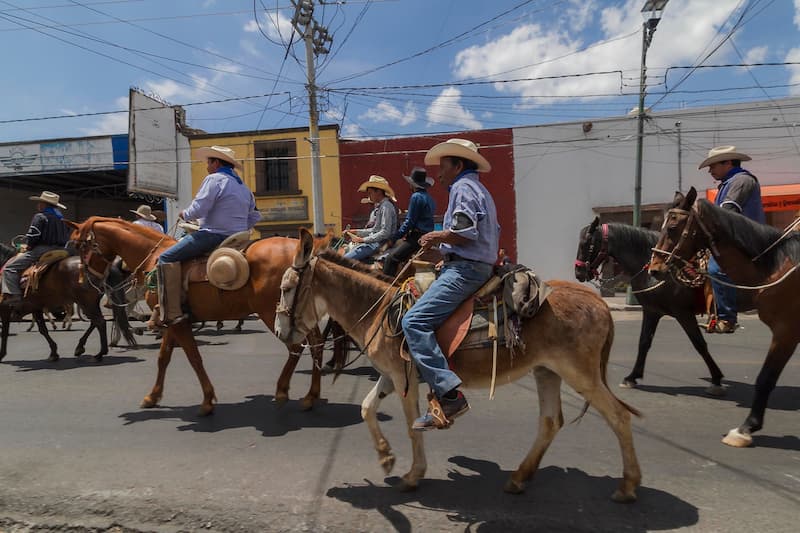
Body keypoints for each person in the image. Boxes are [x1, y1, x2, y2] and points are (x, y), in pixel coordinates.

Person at [401, 139, 500, 430]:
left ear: (458, 166)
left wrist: (436, 238)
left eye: (443, 168)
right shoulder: (479, 189)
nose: (439, 175)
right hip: (468, 264)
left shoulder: (462, 188)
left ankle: (449, 394)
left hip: (467, 270)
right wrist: (444, 253)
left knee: (414, 321)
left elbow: (465, 231)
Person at [152, 145, 260, 326]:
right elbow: (255, 215)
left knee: (166, 257)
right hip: (239, 237)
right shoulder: (244, 187)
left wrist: (184, 214)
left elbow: (200, 207)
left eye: (208, 162)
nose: (206, 166)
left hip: (213, 235)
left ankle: (172, 312)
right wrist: (240, 227)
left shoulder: (214, 180)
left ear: (216, 163)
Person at [700, 145, 765, 333]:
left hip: (747, 238)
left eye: (713, 166)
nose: (710, 171)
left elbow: (727, 213)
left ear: (727, 163)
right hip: (736, 236)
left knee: (716, 268)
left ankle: (727, 319)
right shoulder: (729, 182)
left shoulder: (741, 180)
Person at [0, 191, 71, 306]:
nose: (38, 205)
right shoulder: (62, 219)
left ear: (44, 204)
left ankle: (14, 295)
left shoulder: (40, 216)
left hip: (42, 250)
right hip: (62, 250)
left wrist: (29, 246)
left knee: (9, 268)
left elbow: (34, 235)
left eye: (40, 203)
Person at [382, 167, 436, 276]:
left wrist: (394, 238)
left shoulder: (416, 197)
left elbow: (409, 222)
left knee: (390, 259)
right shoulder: (429, 198)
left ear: (412, 184)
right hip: (427, 235)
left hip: (417, 238)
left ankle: (385, 287)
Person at [343, 175, 397, 262]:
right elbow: (375, 229)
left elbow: (385, 232)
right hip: (375, 242)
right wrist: (355, 231)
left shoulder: (386, 207)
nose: (369, 196)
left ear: (378, 192)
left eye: (370, 193)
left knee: (344, 260)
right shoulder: (382, 206)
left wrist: (362, 239)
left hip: (378, 244)